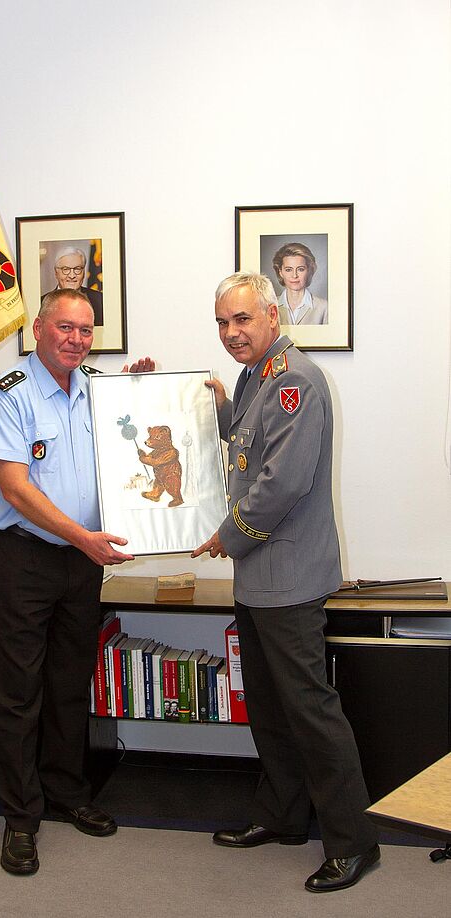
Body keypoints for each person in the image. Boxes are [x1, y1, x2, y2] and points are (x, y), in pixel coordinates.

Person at [192, 272, 379, 893]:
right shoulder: (257, 377)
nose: (231, 332)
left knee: (310, 710)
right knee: (270, 707)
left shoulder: (295, 379)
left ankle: (354, 842)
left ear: (273, 316)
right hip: (259, 575)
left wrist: (228, 534)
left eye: (242, 319)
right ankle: (282, 817)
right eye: (223, 322)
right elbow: (248, 443)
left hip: (289, 577)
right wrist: (211, 403)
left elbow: (284, 480)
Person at [0, 287, 153, 876]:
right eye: (65, 327)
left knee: (70, 681)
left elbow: (131, 443)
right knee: (18, 691)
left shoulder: (97, 389)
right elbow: (15, 488)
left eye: (86, 330)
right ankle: (20, 818)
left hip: (81, 562)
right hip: (23, 558)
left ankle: (66, 791)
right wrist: (84, 538)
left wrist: (142, 391)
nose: (77, 340)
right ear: (38, 328)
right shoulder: (9, 394)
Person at [41, 246, 104, 326]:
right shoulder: (41, 303)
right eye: (65, 269)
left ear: (84, 272)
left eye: (77, 269)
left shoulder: (100, 300)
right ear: (56, 273)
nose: (72, 276)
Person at [272, 241, 328, 325]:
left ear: (309, 271)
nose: (294, 275)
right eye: (288, 270)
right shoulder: (270, 306)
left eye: (300, 269)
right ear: (280, 272)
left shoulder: (324, 307)